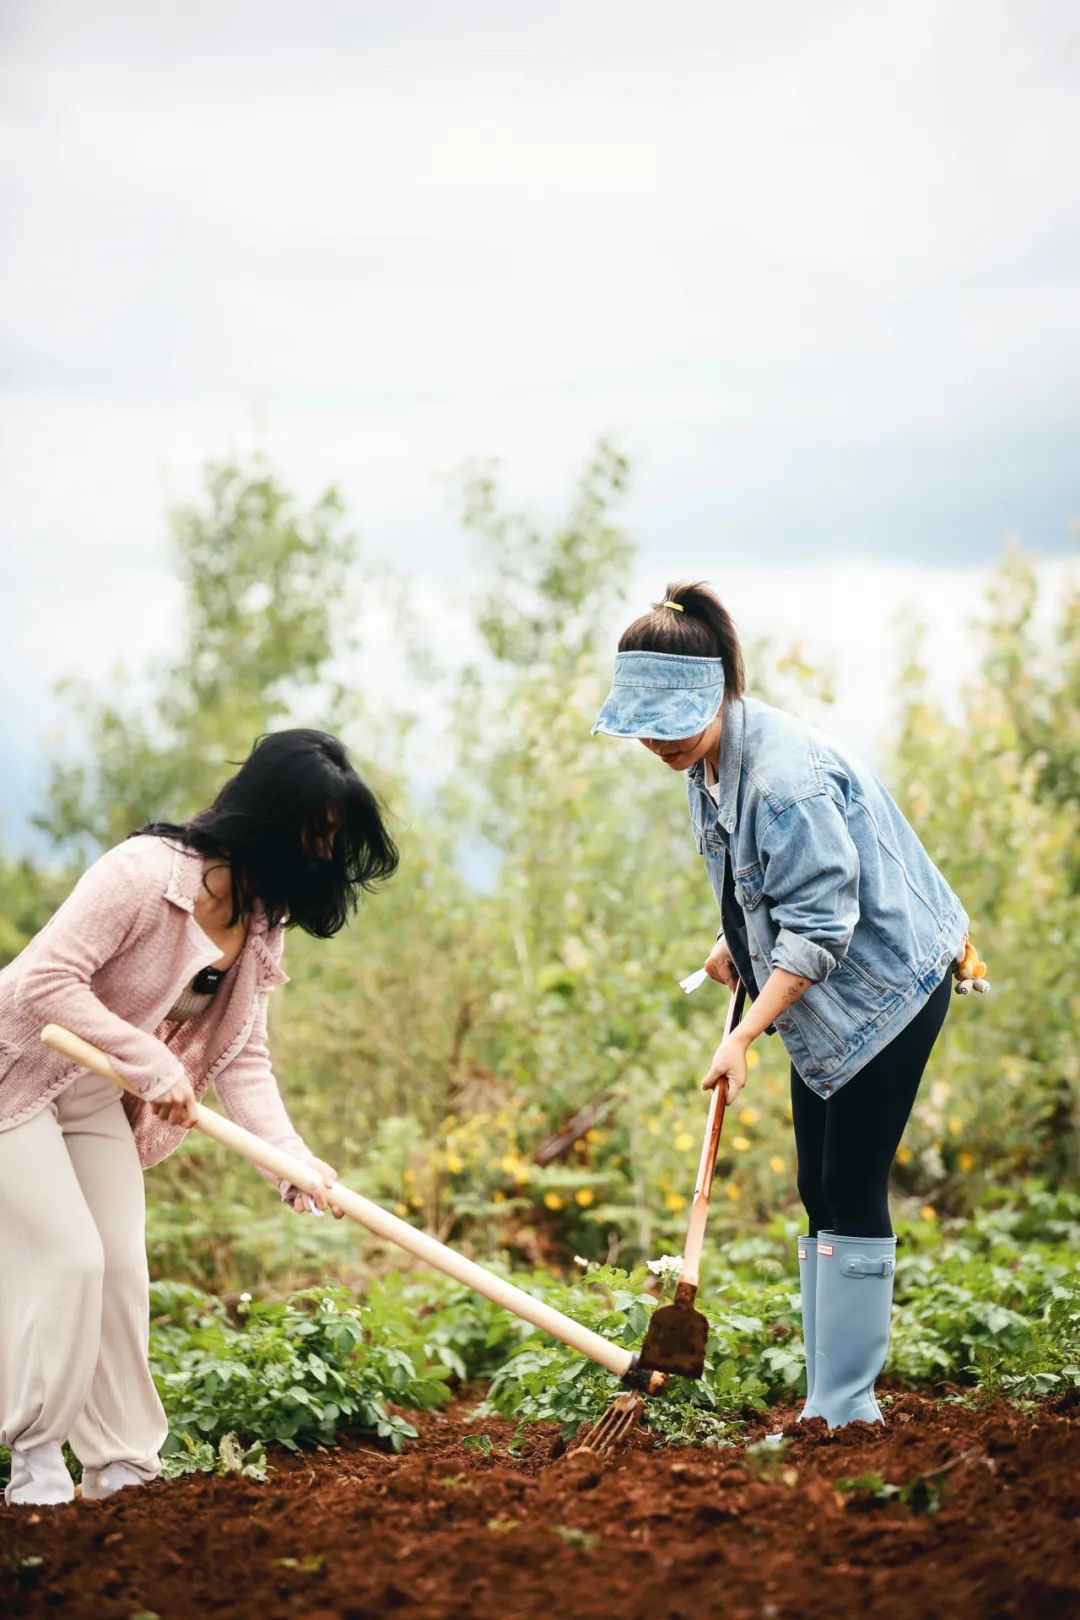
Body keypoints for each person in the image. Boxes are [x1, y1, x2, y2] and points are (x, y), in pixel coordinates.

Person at [592, 583, 974, 1430]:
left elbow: (822, 928)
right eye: (643, 725)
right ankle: (826, 1399)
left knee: (849, 1179)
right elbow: (763, 888)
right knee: (815, 1184)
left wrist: (745, 1038)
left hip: (887, 985)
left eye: (668, 721)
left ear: (714, 691)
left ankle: (846, 1407)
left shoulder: (784, 780)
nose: (654, 741)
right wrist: (735, 940)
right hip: (823, 982)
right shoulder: (706, 757)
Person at [0, 729, 398, 1506]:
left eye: (333, 839)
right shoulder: (144, 875)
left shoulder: (261, 919)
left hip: (91, 1089)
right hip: (15, 1073)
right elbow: (42, 982)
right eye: (317, 833)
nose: (324, 853)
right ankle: (35, 1456)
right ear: (271, 818)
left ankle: (119, 1462)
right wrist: (152, 1064)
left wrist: (287, 1158)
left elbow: (245, 1056)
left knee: (119, 1267)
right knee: (71, 1258)